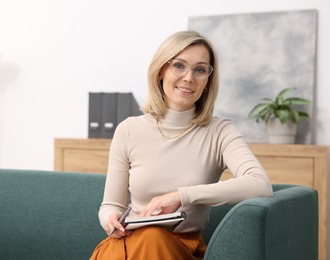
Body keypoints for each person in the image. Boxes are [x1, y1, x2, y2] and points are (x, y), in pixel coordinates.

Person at [90, 30, 273, 260]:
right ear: (160, 72)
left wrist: (181, 196)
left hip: (179, 249)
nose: (189, 77)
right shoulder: (128, 130)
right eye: (179, 66)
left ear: (207, 81)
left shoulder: (220, 131)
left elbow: (260, 185)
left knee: (152, 238)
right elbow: (110, 205)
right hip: (127, 245)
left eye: (200, 69)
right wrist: (111, 220)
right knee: (137, 242)